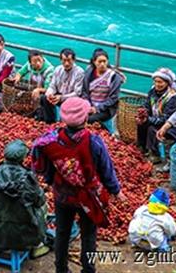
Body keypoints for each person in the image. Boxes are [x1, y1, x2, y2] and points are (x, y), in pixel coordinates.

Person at [31, 97, 124, 273]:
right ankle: (88, 269)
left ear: (63, 118)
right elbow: (106, 170)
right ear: (86, 119)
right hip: (88, 197)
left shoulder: (52, 140)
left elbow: (47, 167)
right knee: (89, 234)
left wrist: (51, 181)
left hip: (63, 195)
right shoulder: (94, 142)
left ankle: (61, 269)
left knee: (62, 233)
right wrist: (116, 191)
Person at [0, 140, 49, 258]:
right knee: (43, 208)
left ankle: (0, 244)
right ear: (22, 158)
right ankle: (38, 246)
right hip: (25, 235)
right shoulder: (28, 179)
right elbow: (39, 201)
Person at [136, 68, 176, 163]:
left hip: (168, 124)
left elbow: (166, 118)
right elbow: (147, 104)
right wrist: (142, 112)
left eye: (160, 82)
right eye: (155, 81)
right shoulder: (153, 91)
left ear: (167, 83)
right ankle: (142, 147)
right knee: (141, 124)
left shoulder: (173, 97)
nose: (157, 84)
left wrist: (148, 119)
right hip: (154, 118)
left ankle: (155, 153)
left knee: (152, 128)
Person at [82, 49, 124, 126]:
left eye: (104, 61)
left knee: (90, 119)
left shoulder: (114, 77)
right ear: (94, 62)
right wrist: (88, 105)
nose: (102, 64)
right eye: (99, 62)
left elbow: (113, 98)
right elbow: (85, 92)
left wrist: (97, 108)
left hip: (106, 108)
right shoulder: (88, 73)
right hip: (90, 105)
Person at [42, 48, 85, 124]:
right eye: (64, 60)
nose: (66, 63)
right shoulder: (58, 69)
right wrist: (50, 95)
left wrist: (61, 98)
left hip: (71, 99)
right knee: (44, 98)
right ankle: (50, 122)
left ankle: (66, 123)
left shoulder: (79, 72)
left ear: (74, 60)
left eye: (69, 60)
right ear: (60, 60)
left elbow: (77, 93)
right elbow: (52, 86)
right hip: (58, 96)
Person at [128, 188, 176, 252]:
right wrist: (172, 235)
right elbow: (171, 230)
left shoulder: (142, 209)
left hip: (136, 239)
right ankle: (162, 249)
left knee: (137, 227)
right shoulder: (166, 218)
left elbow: (134, 217)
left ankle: (135, 243)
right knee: (166, 236)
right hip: (153, 243)